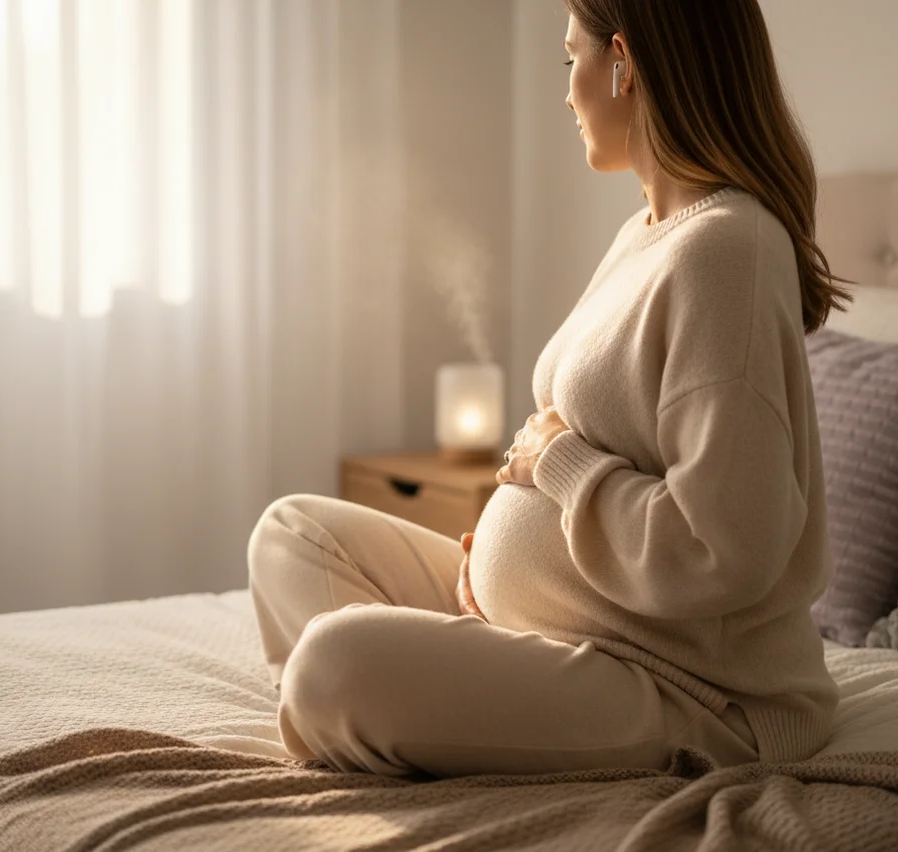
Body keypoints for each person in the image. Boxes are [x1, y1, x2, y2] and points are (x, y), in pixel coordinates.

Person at [247, 0, 853, 779]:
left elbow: (723, 548)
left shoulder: (729, 251)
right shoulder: (645, 234)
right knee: (292, 534)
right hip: (572, 629)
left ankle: (389, 714)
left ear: (624, 62)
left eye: (573, 60)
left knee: (334, 668)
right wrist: (508, 574)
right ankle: (445, 707)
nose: (567, 91)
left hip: (690, 690)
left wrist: (559, 466)